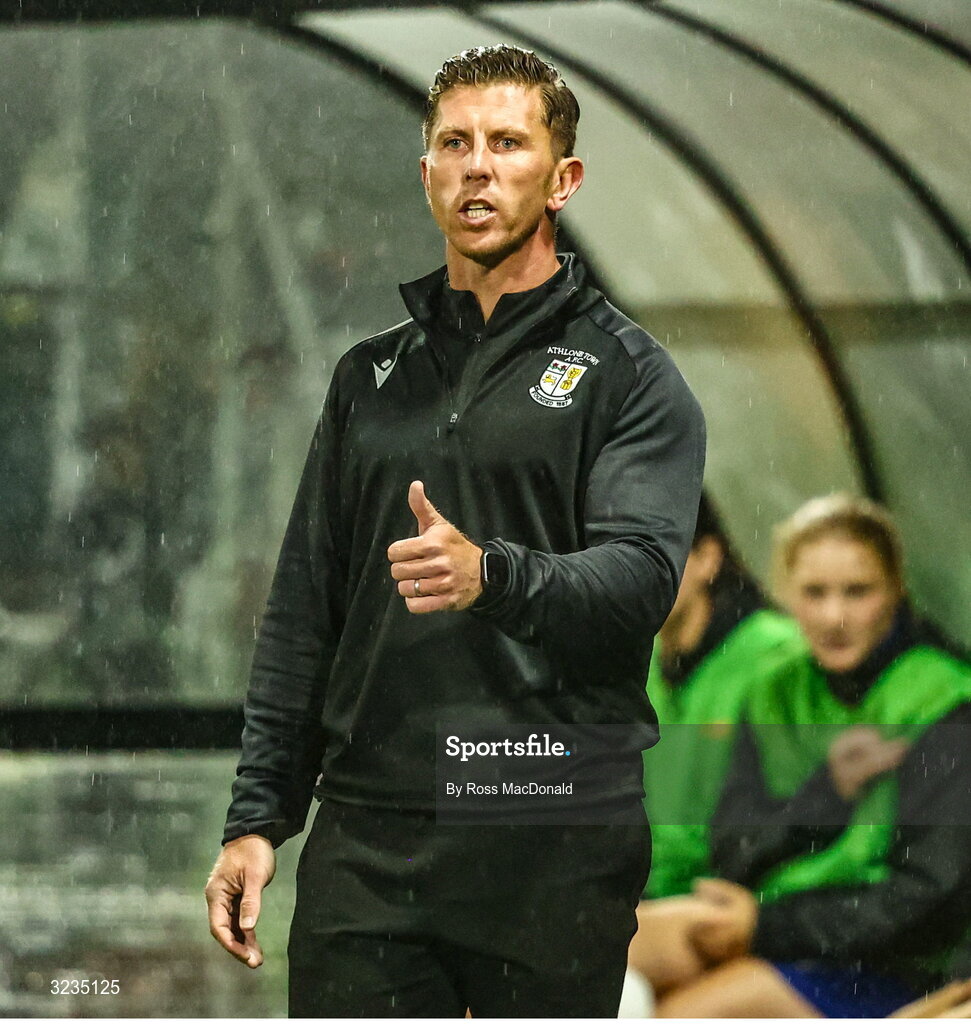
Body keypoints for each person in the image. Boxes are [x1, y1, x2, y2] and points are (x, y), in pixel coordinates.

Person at [204, 44, 706, 1018]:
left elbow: (642, 577)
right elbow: (306, 605)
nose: (477, 165)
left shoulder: (630, 376)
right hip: (370, 838)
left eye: (507, 143)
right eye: (455, 143)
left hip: (549, 826)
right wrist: (260, 816)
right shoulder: (367, 378)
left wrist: (494, 575)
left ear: (562, 179)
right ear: (426, 171)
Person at [630, 494, 971, 1018]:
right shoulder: (776, 691)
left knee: (678, 1012)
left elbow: (932, 901)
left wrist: (767, 928)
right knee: (594, 962)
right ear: (788, 595)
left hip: (888, 962)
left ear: (897, 590)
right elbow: (733, 848)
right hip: (776, 925)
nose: (834, 616)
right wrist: (826, 791)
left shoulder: (941, 699)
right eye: (814, 593)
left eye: (858, 592)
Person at [639, 493, 804, 902]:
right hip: (655, 900)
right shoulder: (643, 659)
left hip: (738, 902)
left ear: (707, 559)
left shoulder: (778, 658)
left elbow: (786, 823)